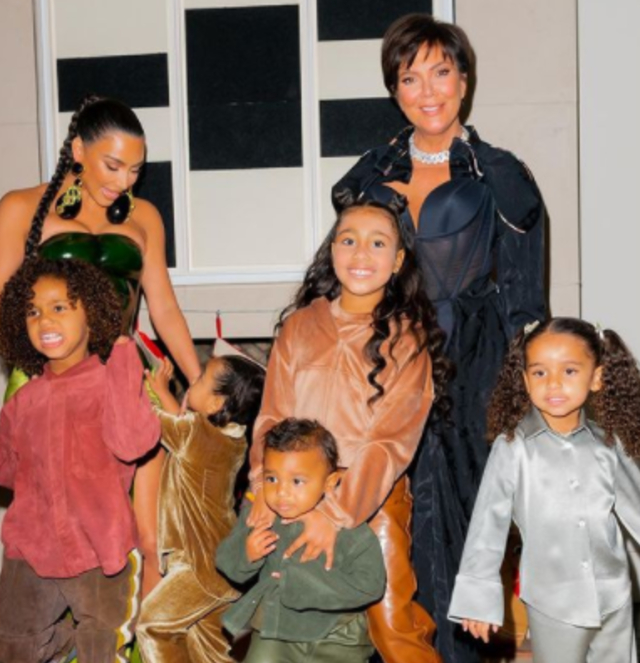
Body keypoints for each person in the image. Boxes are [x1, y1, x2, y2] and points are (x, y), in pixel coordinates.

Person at [331, 13, 547, 662]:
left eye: (441, 73)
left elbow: (526, 297)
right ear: (394, 89)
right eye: (410, 77)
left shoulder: (501, 175)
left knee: (465, 532)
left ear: (464, 81)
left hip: (473, 373)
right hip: (384, 370)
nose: (427, 91)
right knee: (384, 528)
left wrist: (524, 396)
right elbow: (342, 278)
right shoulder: (368, 175)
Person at [0, 94, 201, 597]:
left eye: (135, 170)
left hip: (122, 380)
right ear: (78, 150)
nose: (124, 181)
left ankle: (140, 633)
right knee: (50, 533)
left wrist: (199, 382)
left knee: (150, 539)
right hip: (47, 383)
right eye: (113, 165)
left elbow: (164, 308)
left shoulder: (144, 217)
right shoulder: (20, 207)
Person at [247, 197, 451, 663]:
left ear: (397, 261)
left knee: (393, 626)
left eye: (377, 243)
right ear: (332, 250)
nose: (361, 253)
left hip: (370, 498)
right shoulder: (300, 326)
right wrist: (262, 485)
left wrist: (335, 513)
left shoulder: (407, 339)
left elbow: (390, 443)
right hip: (290, 490)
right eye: (349, 240)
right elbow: (271, 416)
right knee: (279, 619)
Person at [448, 318, 640, 663]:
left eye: (569, 371)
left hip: (614, 594)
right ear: (524, 380)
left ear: (597, 377)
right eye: (539, 372)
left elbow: (636, 508)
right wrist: (477, 599)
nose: (553, 383)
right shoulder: (513, 448)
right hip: (554, 603)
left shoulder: (608, 446)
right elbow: (487, 527)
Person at [0, 258, 161, 663]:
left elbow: (132, 444)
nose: (44, 320)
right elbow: (8, 470)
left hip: (100, 549)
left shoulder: (109, 382)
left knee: (101, 647)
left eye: (59, 307)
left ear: (91, 313)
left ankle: (76, 642)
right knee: (13, 645)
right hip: (31, 550)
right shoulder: (23, 401)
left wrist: (125, 361)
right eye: (32, 311)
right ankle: (60, 642)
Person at [218, 418, 386, 663]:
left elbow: (370, 585)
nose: (281, 492)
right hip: (276, 632)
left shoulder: (346, 529)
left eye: (297, 481)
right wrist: (247, 554)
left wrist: (303, 583)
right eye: (271, 479)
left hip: (339, 637)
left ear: (329, 483)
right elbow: (224, 559)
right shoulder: (262, 516)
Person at [136, 353, 265, 663]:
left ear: (216, 403)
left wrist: (139, 386)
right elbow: (183, 431)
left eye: (203, 378)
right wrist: (165, 392)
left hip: (198, 568)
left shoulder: (195, 434)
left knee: (153, 626)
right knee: (209, 653)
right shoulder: (233, 443)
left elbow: (148, 419)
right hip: (222, 568)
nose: (194, 380)